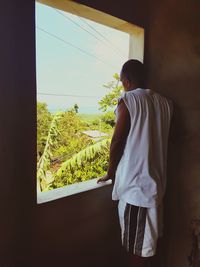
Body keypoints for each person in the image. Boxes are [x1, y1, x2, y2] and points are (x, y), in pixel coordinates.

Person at [97, 59, 173, 267]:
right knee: (149, 247)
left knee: (135, 251)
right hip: (156, 187)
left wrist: (110, 171)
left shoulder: (129, 100)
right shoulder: (165, 103)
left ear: (127, 81)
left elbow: (117, 140)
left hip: (136, 190)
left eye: (122, 82)